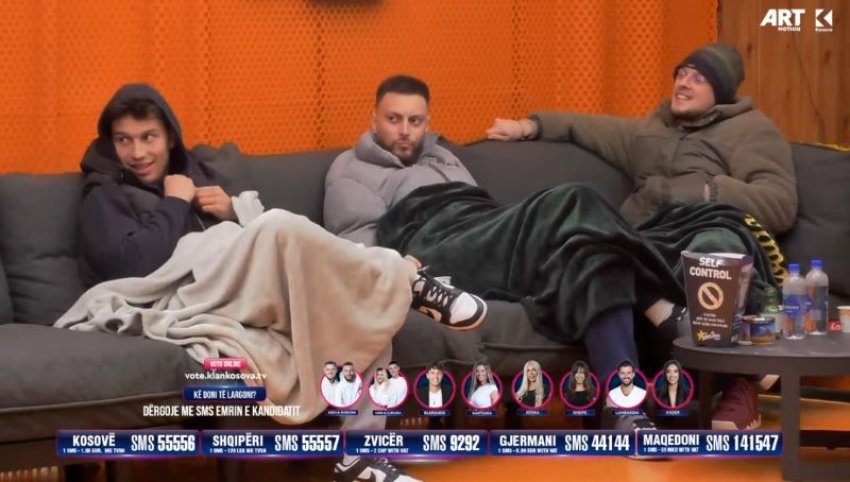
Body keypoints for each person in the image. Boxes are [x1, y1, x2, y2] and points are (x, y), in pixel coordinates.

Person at [59, 83, 497, 482]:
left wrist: (231, 209)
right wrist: (175, 203)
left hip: (246, 288)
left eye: (148, 137)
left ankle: (360, 456)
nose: (137, 152)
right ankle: (404, 276)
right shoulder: (104, 194)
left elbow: (248, 242)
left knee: (360, 307)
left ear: (169, 138)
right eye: (124, 140)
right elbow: (134, 265)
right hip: (189, 293)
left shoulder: (197, 176)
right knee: (279, 226)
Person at [325, 74, 688, 431]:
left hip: (482, 230)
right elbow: (357, 249)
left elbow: (479, 210)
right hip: (429, 243)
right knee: (575, 197)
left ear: (427, 123)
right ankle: (658, 303)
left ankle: (624, 409)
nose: (405, 130)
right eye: (394, 119)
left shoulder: (442, 157)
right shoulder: (352, 168)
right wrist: (400, 273)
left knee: (595, 260)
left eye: (415, 121)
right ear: (374, 120)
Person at [487, 43, 784, 431]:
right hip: (647, 239)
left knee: (714, 251)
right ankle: (626, 405)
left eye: (698, 78)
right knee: (597, 255)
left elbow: (779, 201)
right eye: (681, 74)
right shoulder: (651, 128)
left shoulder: (751, 130)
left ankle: (734, 384)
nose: (683, 83)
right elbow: (587, 127)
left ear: (722, 91)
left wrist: (707, 189)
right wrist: (530, 126)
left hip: (708, 225)